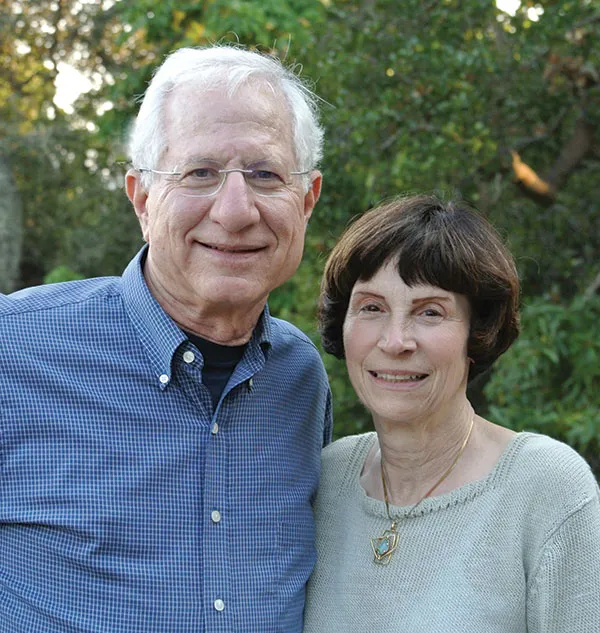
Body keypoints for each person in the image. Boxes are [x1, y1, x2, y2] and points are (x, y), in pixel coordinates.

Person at [0, 45, 331, 633]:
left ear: (306, 201)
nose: (235, 211)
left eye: (266, 175)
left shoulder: (301, 380)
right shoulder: (15, 349)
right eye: (200, 173)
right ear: (142, 198)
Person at [303, 194, 600, 633]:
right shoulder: (322, 480)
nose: (396, 341)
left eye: (430, 312)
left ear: (478, 332)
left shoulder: (547, 489)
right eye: (371, 307)